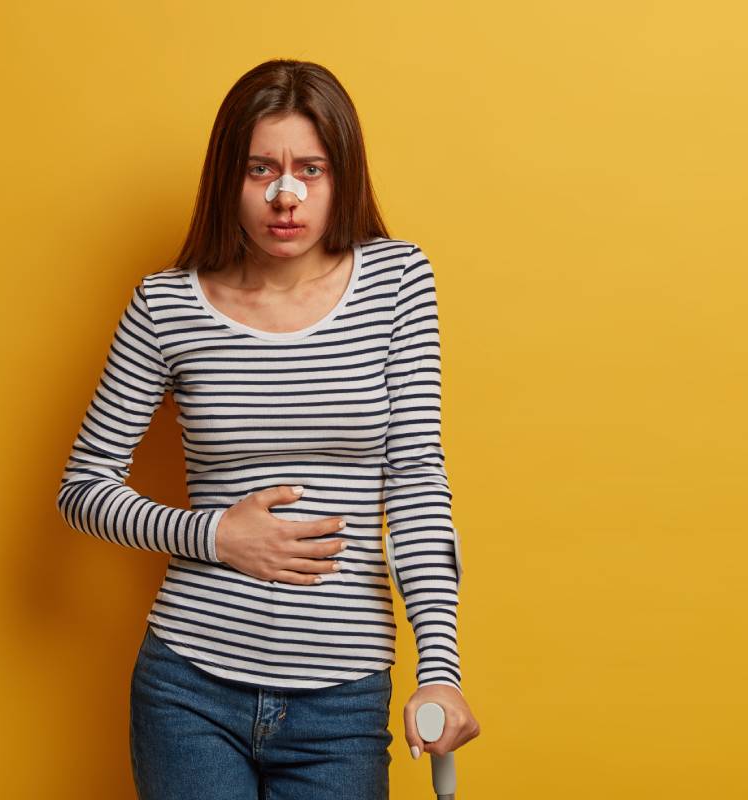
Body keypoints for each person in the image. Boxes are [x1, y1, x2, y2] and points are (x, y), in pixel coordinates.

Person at [55, 58, 480, 799]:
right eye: (262, 169)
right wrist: (216, 535)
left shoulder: (398, 283)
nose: (287, 196)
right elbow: (82, 488)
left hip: (342, 698)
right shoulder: (166, 307)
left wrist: (439, 669)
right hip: (189, 689)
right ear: (230, 178)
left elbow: (416, 484)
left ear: (342, 176)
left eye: (310, 169)